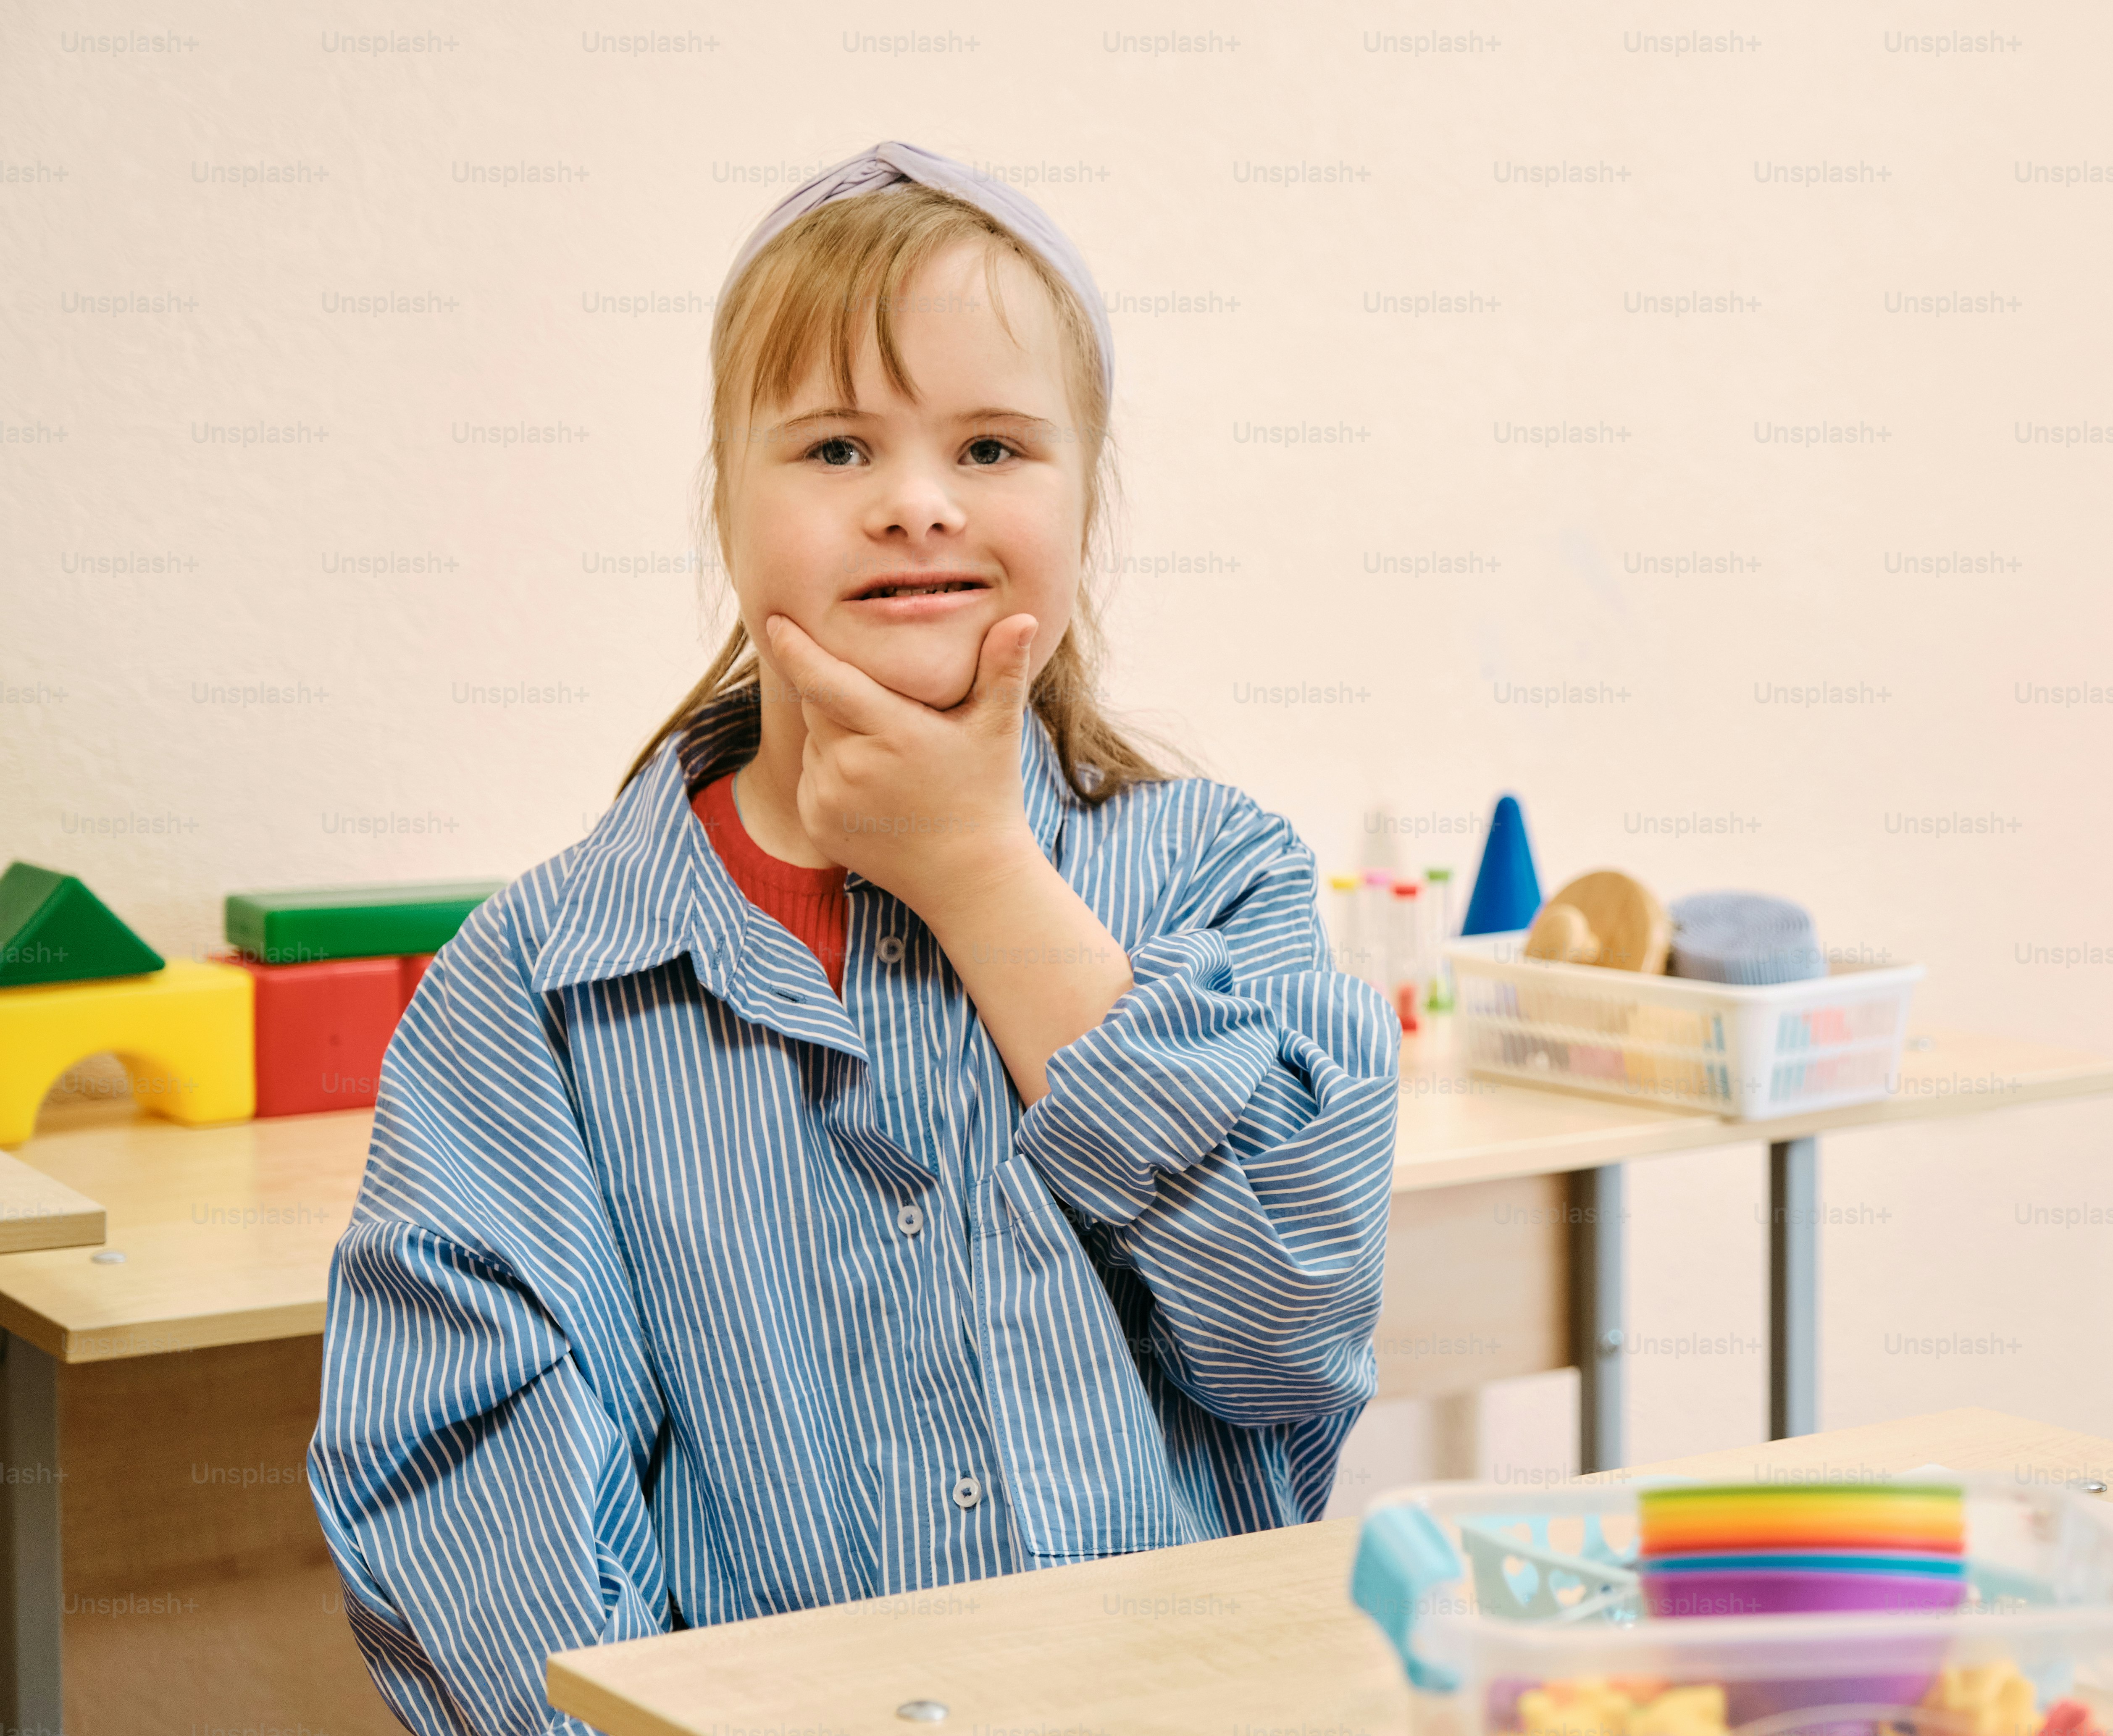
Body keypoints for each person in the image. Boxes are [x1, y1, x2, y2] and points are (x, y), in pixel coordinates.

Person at [306, 141, 1400, 1732]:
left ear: (1087, 496)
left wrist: (976, 873)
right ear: (726, 506)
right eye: (831, 446)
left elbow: (1289, 1331)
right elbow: (471, 1485)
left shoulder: (1214, 877)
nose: (914, 502)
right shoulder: (538, 986)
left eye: (994, 443)